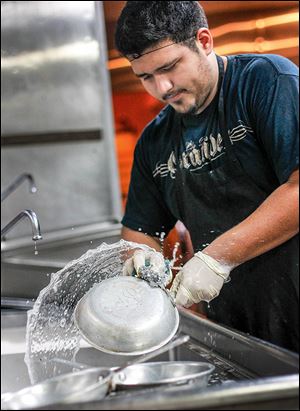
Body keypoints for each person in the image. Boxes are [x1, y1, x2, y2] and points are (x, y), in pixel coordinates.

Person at [115, 1, 299, 353]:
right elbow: (139, 229)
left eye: (169, 67)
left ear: (203, 41)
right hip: (236, 330)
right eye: (146, 77)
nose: (162, 87)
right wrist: (141, 257)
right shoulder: (154, 142)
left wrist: (216, 258)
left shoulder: (266, 81)